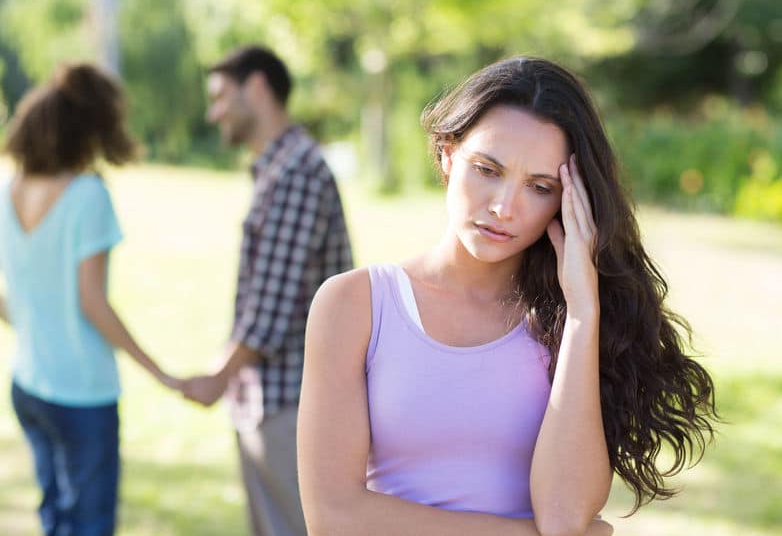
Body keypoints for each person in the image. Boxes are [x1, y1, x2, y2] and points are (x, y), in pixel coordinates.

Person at [297, 57, 718, 535]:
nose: (504, 207)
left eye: (539, 187)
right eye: (487, 169)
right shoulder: (355, 305)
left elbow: (564, 518)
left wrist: (582, 312)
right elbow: (333, 518)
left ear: (567, 201)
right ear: (447, 154)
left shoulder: (568, 321)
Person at [0, 63, 182, 535]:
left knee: (55, 517)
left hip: (28, 386)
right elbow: (92, 302)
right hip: (82, 394)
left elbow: (12, 298)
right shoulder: (87, 195)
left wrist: (39, 321)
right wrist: (159, 371)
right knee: (90, 525)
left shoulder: (10, 190)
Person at [183, 45, 353, 536]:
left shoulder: (296, 171)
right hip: (267, 398)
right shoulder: (275, 169)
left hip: (294, 403)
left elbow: (271, 312)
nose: (214, 112)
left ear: (257, 87)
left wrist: (217, 377)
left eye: (220, 97)